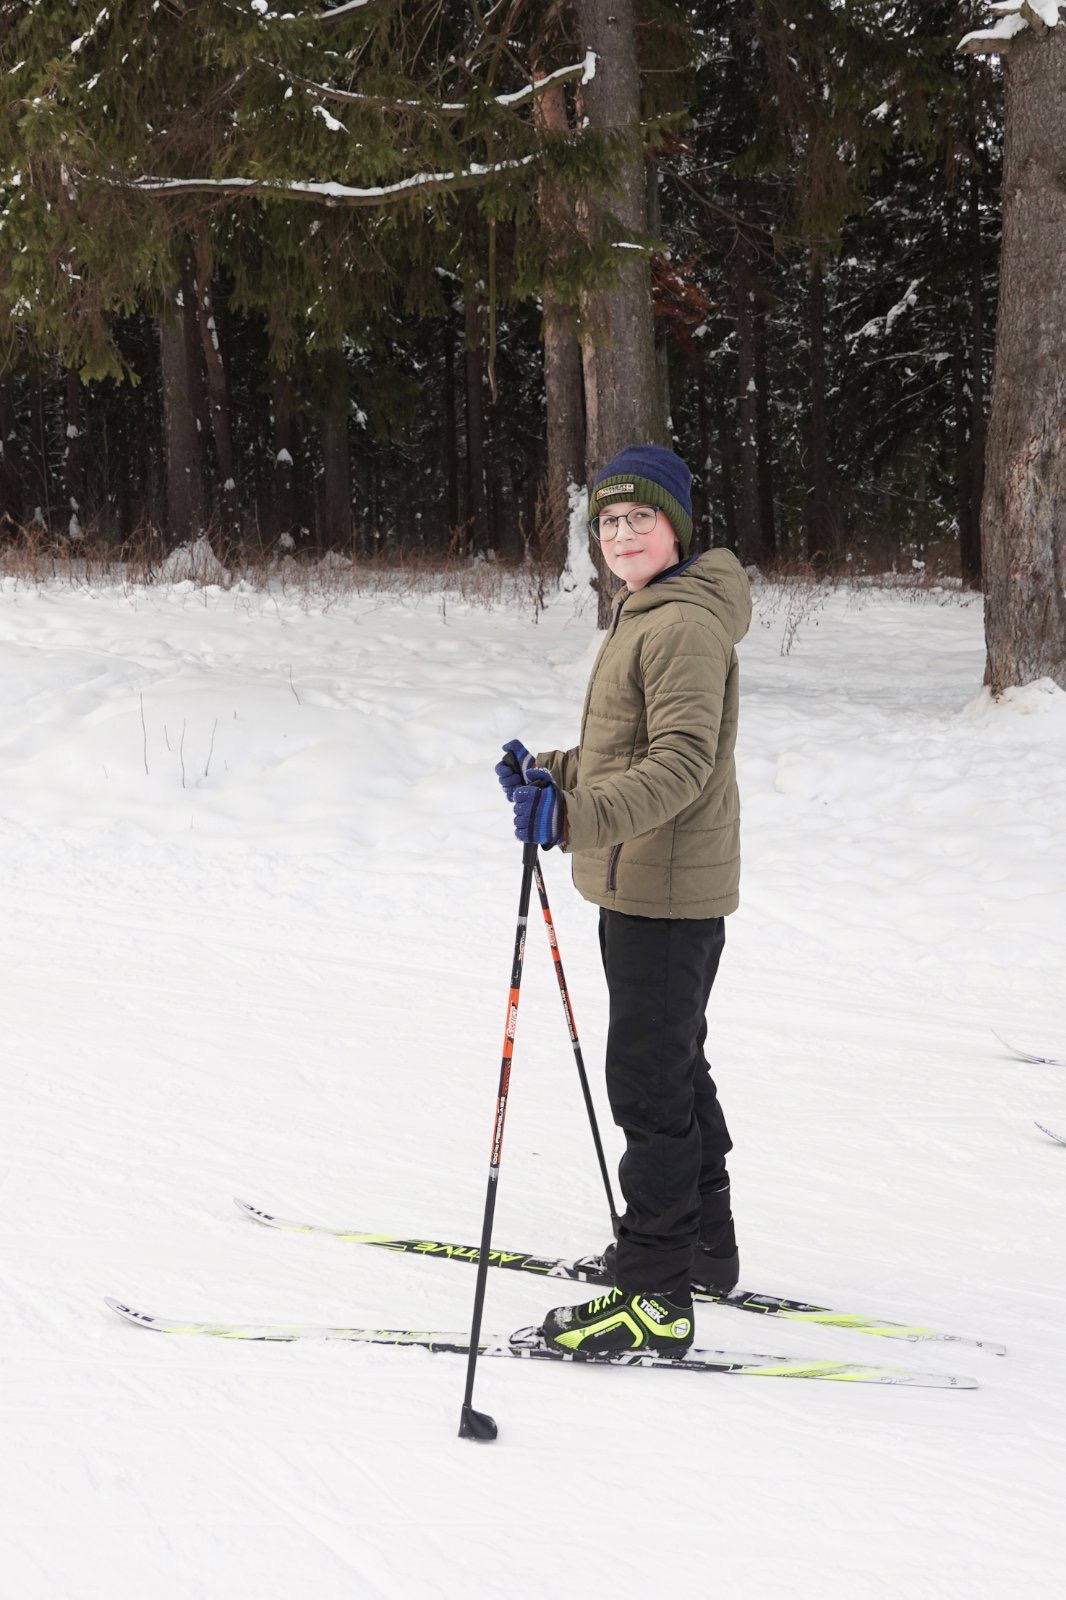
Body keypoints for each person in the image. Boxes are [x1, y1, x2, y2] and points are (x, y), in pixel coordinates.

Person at [495, 443, 752, 1358]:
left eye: (639, 517)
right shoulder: (647, 614)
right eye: (607, 520)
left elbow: (680, 767)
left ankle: (655, 1293)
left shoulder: (678, 624)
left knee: (649, 1086)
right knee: (675, 1071)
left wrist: (570, 816)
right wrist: (551, 775)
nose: (621, 533)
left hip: (666, 893)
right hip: (651, 884)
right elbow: (628, 754)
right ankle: (701, 1251)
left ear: (676, 525)